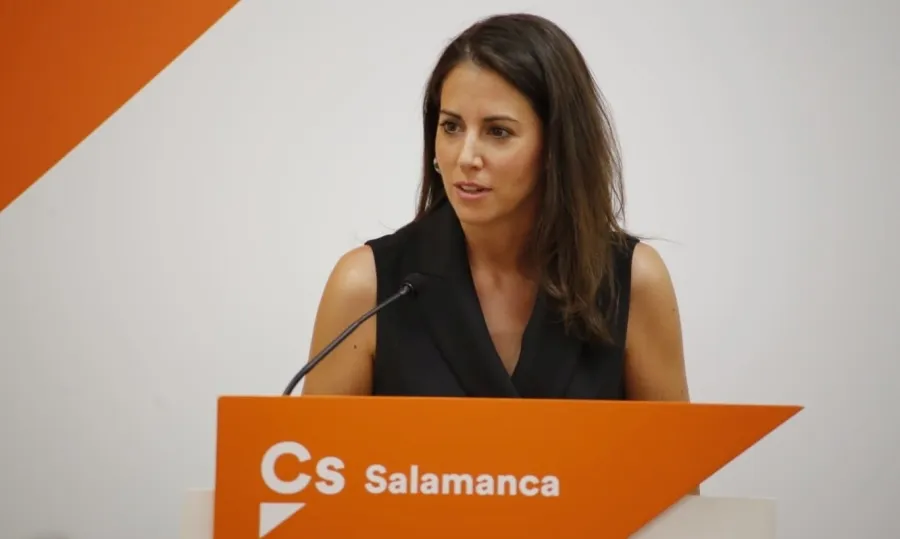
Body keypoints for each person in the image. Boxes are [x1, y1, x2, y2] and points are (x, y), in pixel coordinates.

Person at [301, 13, 690, 403]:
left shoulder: (632, 283)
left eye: (498, 131)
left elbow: (672, 445)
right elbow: (316, 444)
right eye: (451, 127)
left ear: (556, 148)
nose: (466, 157)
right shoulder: (367, 288)